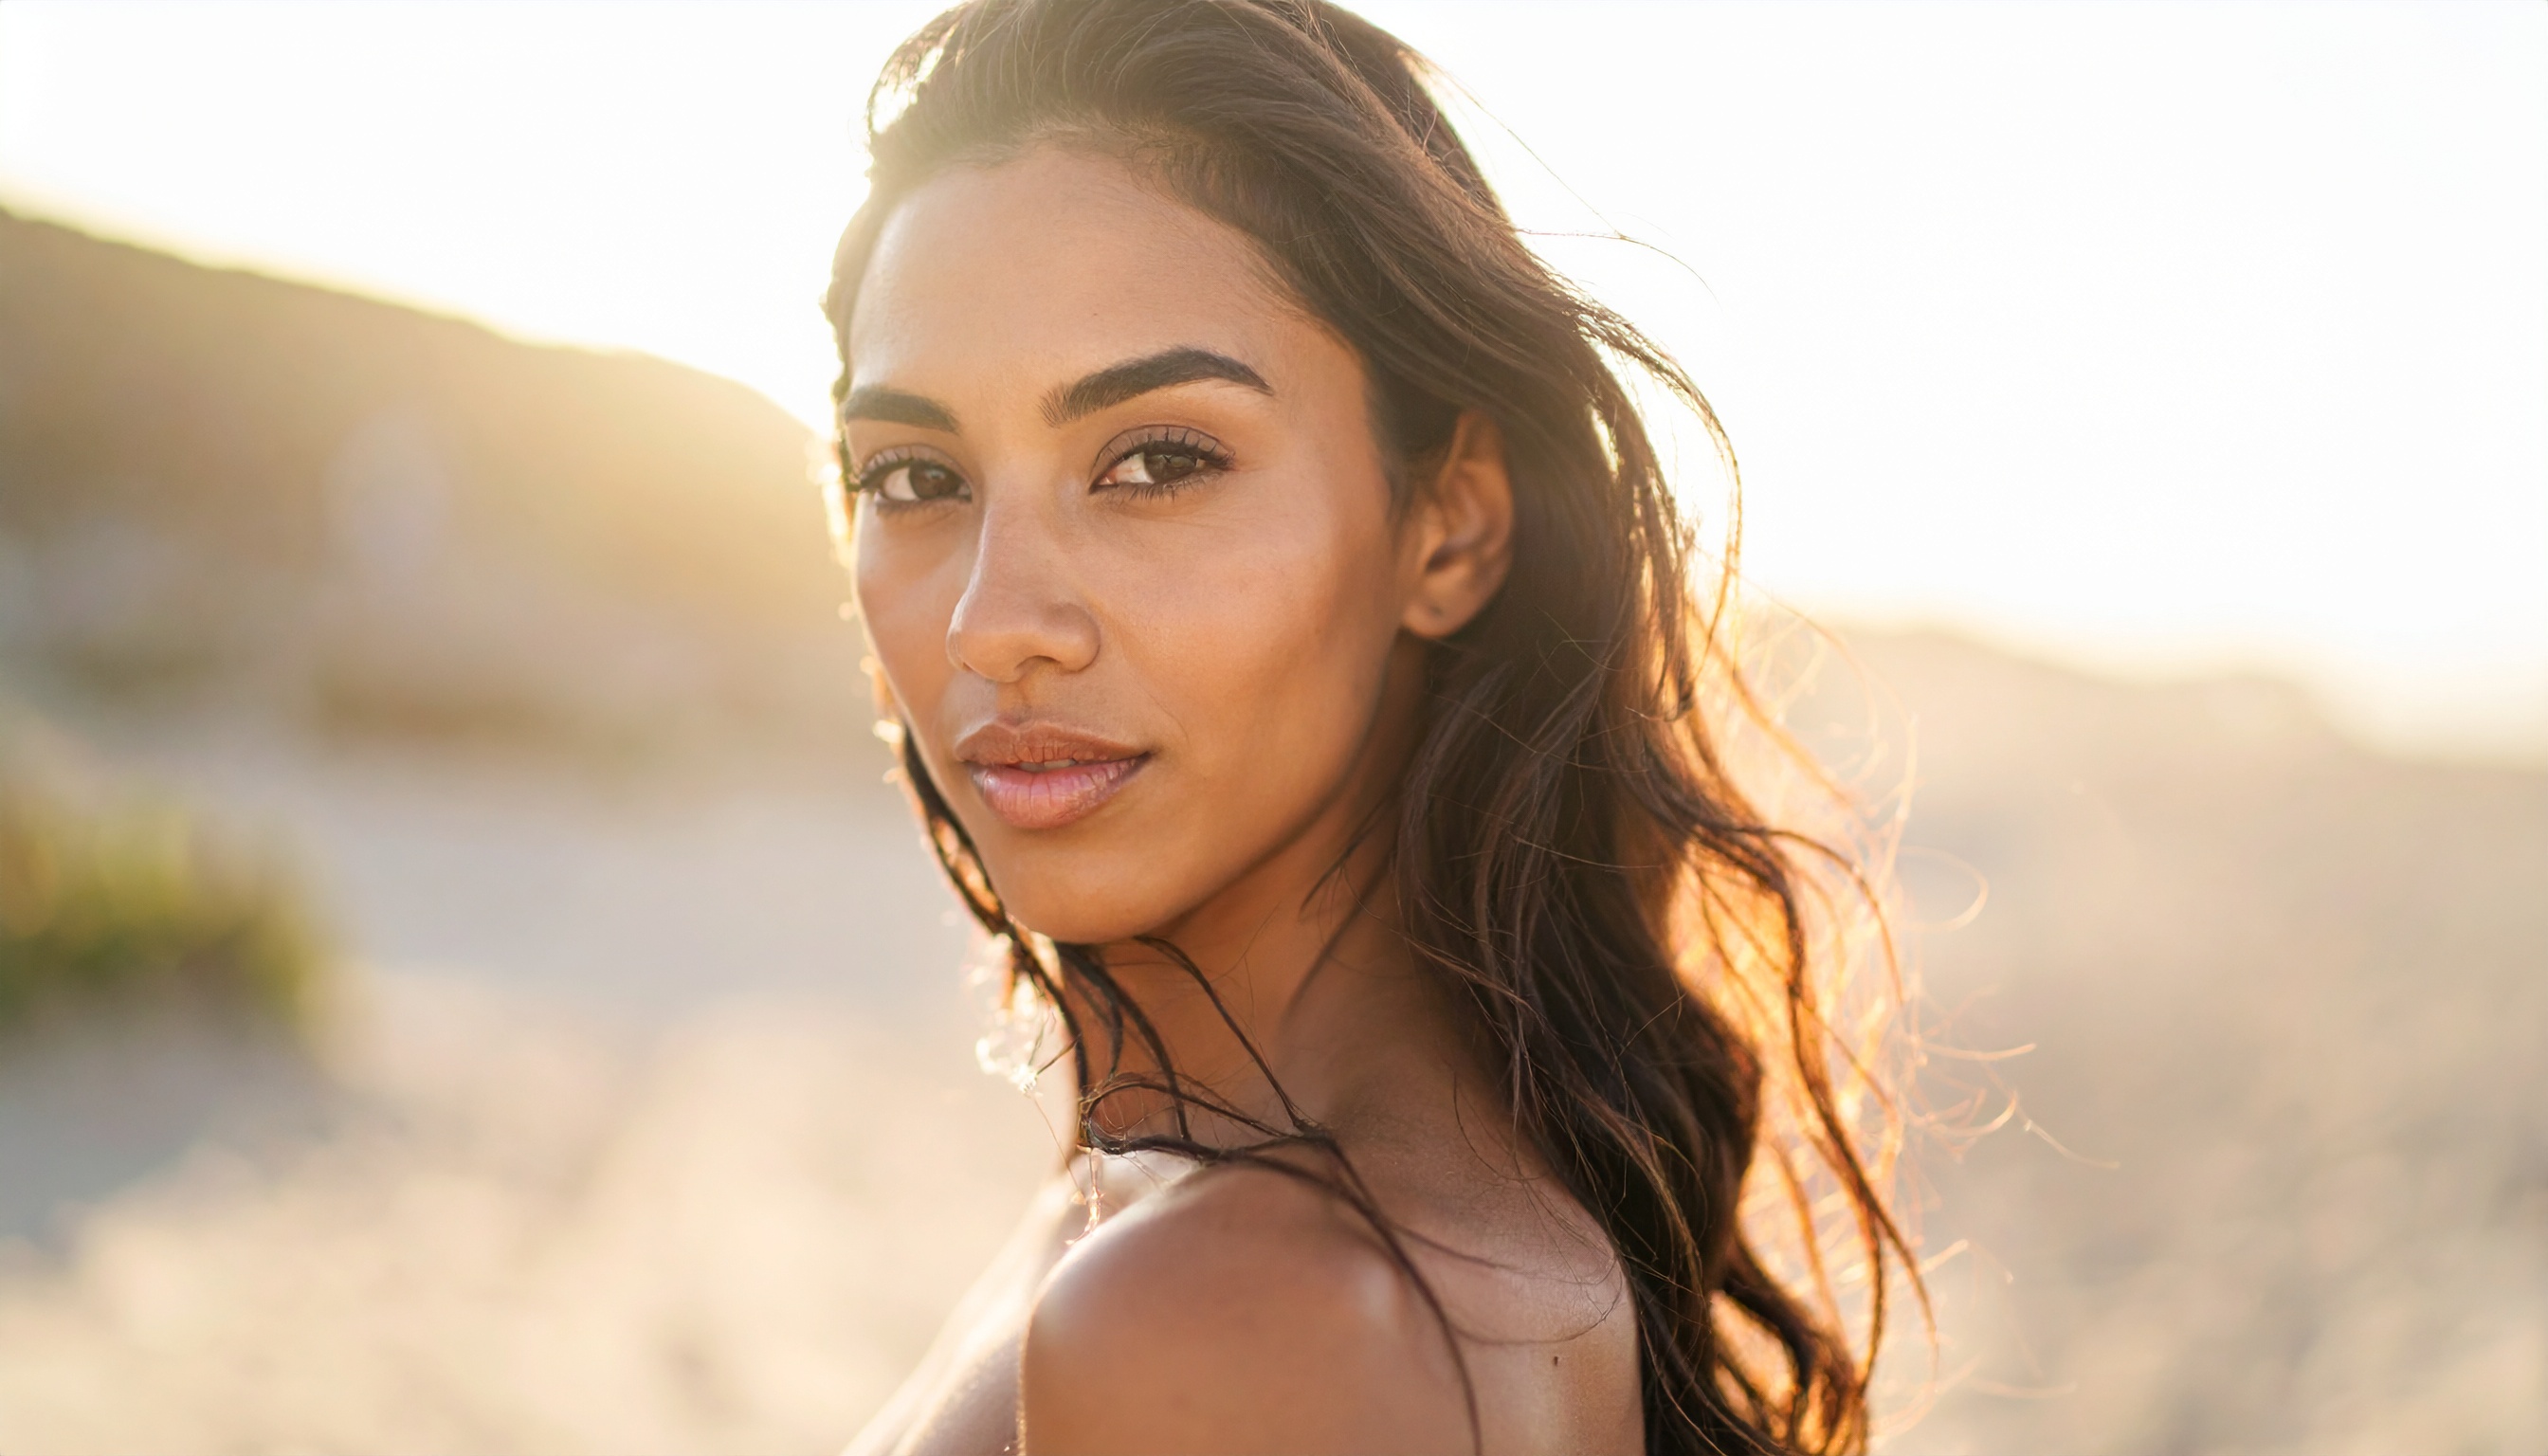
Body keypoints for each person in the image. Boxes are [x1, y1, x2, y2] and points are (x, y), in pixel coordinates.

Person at [827, 3, 1915, 1452]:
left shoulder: (1245, 1319)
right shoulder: (1214, 1182)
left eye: (1157, 461)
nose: (990, 620)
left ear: (1449, 524)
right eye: (912, 477)